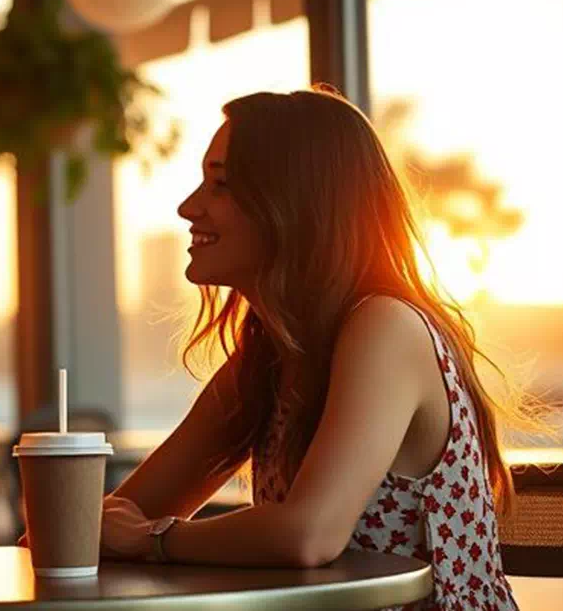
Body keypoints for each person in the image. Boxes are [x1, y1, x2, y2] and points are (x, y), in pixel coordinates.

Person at [93, 89, 535, 610]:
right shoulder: (267, 360)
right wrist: (89, 528)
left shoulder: (385, 328)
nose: (189, 207)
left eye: (222, 185)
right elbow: (113, 520)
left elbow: (309, 536)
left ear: (295, 205)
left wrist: (150, 539)